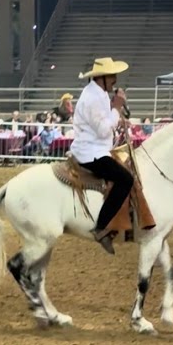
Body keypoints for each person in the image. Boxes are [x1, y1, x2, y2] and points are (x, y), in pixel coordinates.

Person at [70, 57, 134, 255]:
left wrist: (116, 116)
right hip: (91, 152)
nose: (115, 79)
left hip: (97, 148)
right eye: (112, 75)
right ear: (102, 77)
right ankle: (101, 227)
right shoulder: (92, 98)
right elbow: (104, 130)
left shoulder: (99, 94)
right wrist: (117, 108)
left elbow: (105, 123)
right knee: (125, 179)